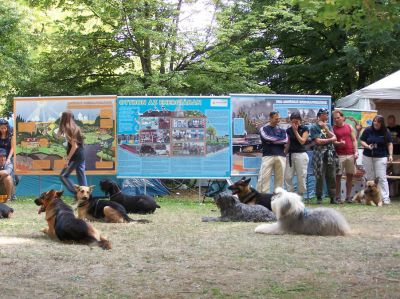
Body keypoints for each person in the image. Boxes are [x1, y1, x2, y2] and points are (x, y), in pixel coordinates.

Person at [360, 115, 393, 205]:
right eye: (374, 121)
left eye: (378, 122)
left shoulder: (386, 131)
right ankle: (369, 198)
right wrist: (367, 146)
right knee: (369, 177)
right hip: (368, 156)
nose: (376, 123)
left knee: (381, 177)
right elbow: (362, 141)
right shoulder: (367, 130)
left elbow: (390, 144)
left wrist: (390, 155)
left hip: (381, 156)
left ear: (381, 123)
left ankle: (385, 198)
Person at [310, 108, 339, 204]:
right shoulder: (314, 127)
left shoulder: (329, 126)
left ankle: (333, 197)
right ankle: (319, 197)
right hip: (319, 154)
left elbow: (334, 138)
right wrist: (330, 139)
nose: (327, 115)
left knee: (332, 176)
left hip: (330, 154)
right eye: (325, 114)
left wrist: (326, 129)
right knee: (319, 176)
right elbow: (318, 141)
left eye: (327, 114)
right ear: (320, 115)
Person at [257, 111, 288, 193]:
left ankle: (278, 199)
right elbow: (265, 138)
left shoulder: (282, 130)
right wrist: (279, 140)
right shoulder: (263, 129)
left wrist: (272, 141)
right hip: (268, 156)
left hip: (281, 156)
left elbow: (285, 140)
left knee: (280, 180)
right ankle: (263, 200)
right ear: (270, 118)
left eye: (279, 118)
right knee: (264, 179)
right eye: (276, 118)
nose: (278, 120)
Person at [57, 111, 87, 193]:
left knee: (63, 176)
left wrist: (67, 160)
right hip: (81, 155)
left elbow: (74, 146)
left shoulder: (68, 129)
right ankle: (86, 196)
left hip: (76, 157)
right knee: (81, 177)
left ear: (64, 118)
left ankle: (77, 194)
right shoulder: (74, 127)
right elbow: (58, 136)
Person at [333, 110, 358, 203]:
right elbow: (333, 142)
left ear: (343, 117)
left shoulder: (349, 126)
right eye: (335, 118)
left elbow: (354, 140)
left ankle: (348, 197)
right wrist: (339, 143)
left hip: (351, 154)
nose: (336, 120)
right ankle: (337, 197)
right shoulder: (333, 128)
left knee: (350, 176)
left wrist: (356, 152)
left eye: (338, 117)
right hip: (339, 155)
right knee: (338, 176)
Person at [284, 112, 309, 198]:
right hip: (290, 155)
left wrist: (295, 131)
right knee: (287, 176)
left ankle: (300, 195)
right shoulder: (288, 130)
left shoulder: (304, 128)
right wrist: (284, 154)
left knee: (301, 176)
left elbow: (302, 141)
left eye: (296, 122)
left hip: (301, 154)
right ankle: (290, 194)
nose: (295, 124)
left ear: (300, 121)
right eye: (293, 122)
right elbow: (288, 144)